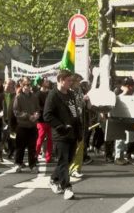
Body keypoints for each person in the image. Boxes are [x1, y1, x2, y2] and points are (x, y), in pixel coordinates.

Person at [44, 70, 82, 200]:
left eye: (71, 80)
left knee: (67, 161)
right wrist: (61, 126)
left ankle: (53, 179)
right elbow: (47, 115)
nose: (71, 83)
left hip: (72, 134)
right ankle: (67, 187)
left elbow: (75, 114)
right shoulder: (53, 95)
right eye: (69, 80)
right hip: (60, 135)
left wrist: (78, 131)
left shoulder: (71, 94)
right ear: (60, 80)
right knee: (63, 161)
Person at [13, 76, 40, 173]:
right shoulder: (19, 97)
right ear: (22, 85)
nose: (27, 87)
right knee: (20, 147)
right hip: (22, 125)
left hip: (32, 126)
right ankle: (18, 164)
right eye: (25, 85)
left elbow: (38, 109)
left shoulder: (34, 96)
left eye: (29, 85)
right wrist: (28, 116)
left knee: (32, 147)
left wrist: (37, 114)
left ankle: (32, 165)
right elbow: (16, 112)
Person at [69, 74, 91, 178]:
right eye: (78, 81)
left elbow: (83, 104)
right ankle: (70, 167)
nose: (79, 83)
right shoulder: (68, 92)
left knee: (80, 146)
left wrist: (85, 99)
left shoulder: (79, 91)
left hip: (80, 122)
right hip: (71, 122)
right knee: (72, 147)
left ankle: (76, 168)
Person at [35, 77, 53, 163]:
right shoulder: (38, 94)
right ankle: (35, 155)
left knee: (50, 139)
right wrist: (47, 110)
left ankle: (48, 157)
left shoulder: (50, 93)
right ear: (42, 83)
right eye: (46, 81)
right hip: (41, 120)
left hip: (50, 120)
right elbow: (38, 107)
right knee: (40, 139)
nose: (48, 82)